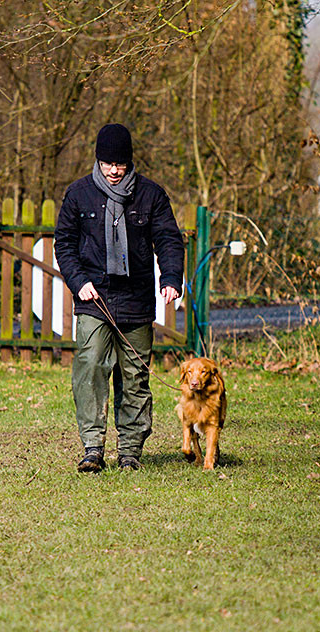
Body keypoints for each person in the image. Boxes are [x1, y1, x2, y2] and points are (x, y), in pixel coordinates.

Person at [54, 123, 185, 472]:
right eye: (108, 163)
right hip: (93, 297)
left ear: (129, 162)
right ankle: (92, 448)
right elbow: (64, 244)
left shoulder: (151, 196)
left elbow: (169, 240)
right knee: (90, 367)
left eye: (120, 164)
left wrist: (171, 277)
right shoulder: (78, 194)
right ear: (98, 160)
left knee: (135, 378)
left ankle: (130, 451)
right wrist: (78, 281)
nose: (114, 171)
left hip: (136, 300)